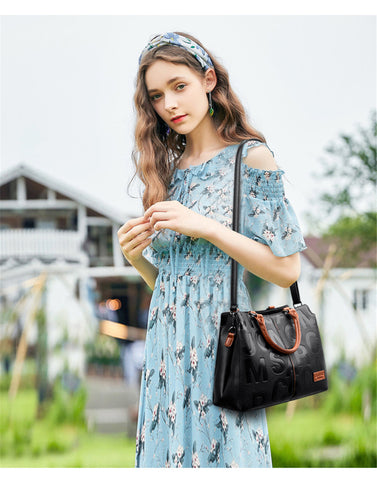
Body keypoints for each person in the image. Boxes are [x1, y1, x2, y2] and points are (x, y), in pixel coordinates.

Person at [117, 31, 307, 468]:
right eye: (157, 96)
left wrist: (206, 227)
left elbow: (287, 269)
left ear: (208, 80)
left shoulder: (251, 158)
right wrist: (136, 257)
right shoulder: (167, 174)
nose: (170, 105)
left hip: (222, 350)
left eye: (179, 86)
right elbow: (172, 281)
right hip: (166, 349)